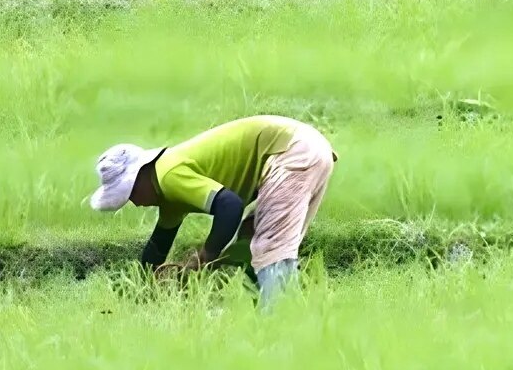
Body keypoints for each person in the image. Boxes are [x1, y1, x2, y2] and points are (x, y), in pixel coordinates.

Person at [88, 114, 337, 305]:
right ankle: (266, 315)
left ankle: (282, 327)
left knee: (271, 247)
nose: (133, 202)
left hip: (292, 152)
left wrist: (207, 255)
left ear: (141, 176)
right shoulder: (168, 193)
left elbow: (229, 206)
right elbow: (158, 245)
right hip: (306, 148)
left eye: (130, 193)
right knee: (246, 243)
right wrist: (138, 286)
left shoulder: (169, 174)